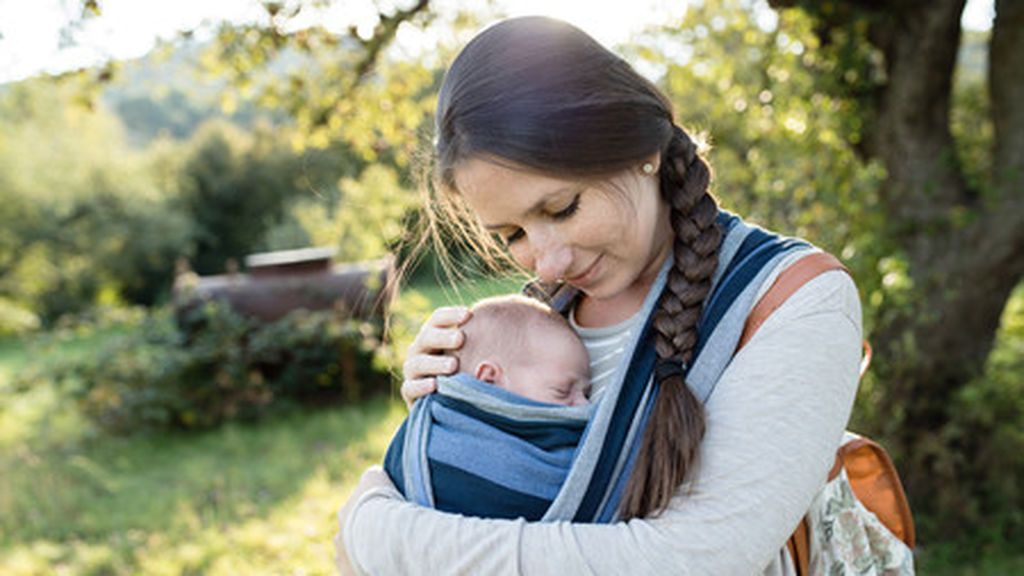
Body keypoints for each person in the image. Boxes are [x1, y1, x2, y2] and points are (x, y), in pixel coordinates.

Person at [336, 15, 862, 575]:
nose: (550, 261)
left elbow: (693, 561)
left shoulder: (795, 300)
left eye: (562, 208)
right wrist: (448, 421)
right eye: (512, 235)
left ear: (641, 150)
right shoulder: (531, 325)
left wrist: (375, 530)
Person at [381, 294, 593, 522]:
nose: (585, 406)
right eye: (562, 390)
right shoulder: (427, 438)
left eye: (587, 393)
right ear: (488, 379)